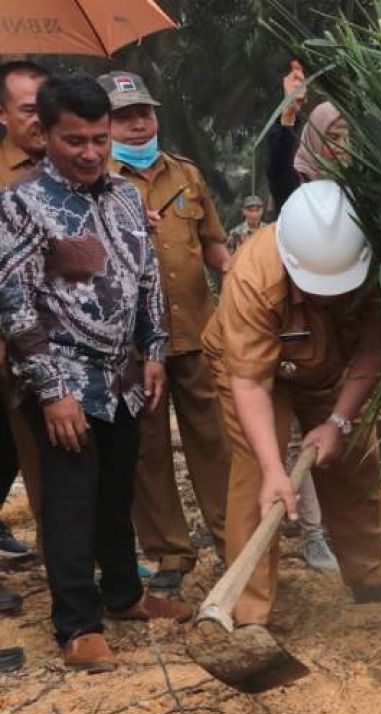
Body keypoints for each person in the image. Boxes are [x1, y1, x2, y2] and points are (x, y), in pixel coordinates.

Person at [0, 74, 192, 672]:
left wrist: (155, 351)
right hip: (62, 383)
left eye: (98, 140)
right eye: (74, 140)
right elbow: (13, 302)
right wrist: (51, 391)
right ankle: (77, 625)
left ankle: (124, 595)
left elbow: (145, 279)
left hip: (123, 379)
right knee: (70, 501)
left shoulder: (128, 199)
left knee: (116, 494)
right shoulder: (21, 203)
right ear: (47, 134)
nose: (89, 153)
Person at [201, 180, 381, 628]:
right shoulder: (251, 277)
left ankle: (370, 576)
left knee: (356, 458)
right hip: (257, 376)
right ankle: (249, 611)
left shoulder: (379, 264)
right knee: (256, 480)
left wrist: (339, 422)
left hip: (332, 369)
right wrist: (273, 469)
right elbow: (250, 383)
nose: (328, 297)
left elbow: (375, 348)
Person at [100, 71, 232, 592]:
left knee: (215, 441)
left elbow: (213, 244)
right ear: (104, 124)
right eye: (123, 117)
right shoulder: (99, 181)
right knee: (147, 451)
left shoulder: (186, 175)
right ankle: (171, 553)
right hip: (133, 348)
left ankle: (234, 538)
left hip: (199, 334)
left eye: (144, 113)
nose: (137, 125)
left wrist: (240, 277)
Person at [261, 72, 347, 572]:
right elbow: (277, 167)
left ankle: (348, 539)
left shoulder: (368, 192)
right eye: (333, 138)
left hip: (341, 336)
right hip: (288, 331)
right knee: (291, 444)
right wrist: (288, 112)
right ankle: (312, 535)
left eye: (349, 138)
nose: (344, 148)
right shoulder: (297, 183)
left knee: (336, 432)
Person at [0, 60, 49, 562]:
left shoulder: (74, 167)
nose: (39, 119)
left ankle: (86, 557)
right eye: (28, 109)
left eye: (45, 106)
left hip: (53, 349)